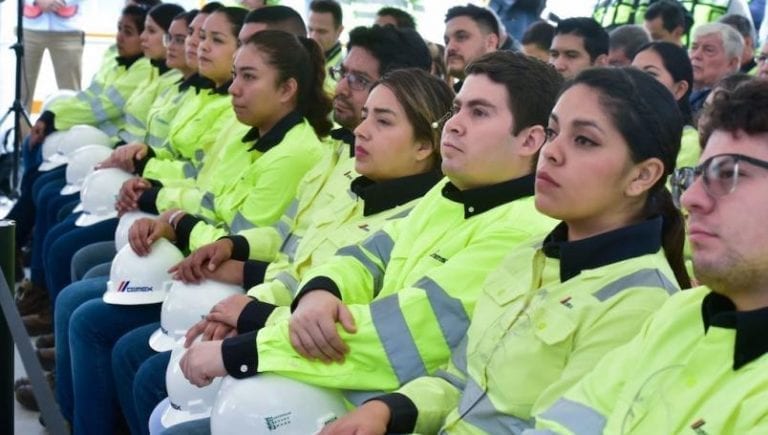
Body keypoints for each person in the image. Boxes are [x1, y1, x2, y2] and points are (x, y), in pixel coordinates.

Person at [177, 52, 562, 424]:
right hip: (337, 385)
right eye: (457, 108)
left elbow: (400, 335)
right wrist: (319, 293)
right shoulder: (450, 194)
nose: (454, 125)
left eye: (479, 113)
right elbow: (364, 257)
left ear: (530, 141)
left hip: (382, 409)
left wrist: (248, 345)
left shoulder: (520, 231)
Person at [323, 65, 689, 435]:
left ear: (642, 175)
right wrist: (390, 409)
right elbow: (460, 381)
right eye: (553, 132)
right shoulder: (531, 255)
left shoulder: (641, 302)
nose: (551, 152)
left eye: (584, 141)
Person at [113, 24, 436, 434]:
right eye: (344, 75)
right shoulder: (346, 161)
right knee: (150, 369)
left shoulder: (404, 206)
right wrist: (234, 253)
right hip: (279, 317)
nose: (342, 88)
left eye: (360, 82)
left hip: (332, 382)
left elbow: (352, 327)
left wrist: (253, 315)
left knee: (137, 362)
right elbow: (289, 249)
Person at [534, 78, 768, 435]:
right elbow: (564, 424)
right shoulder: (680, 313)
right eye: (695, 177)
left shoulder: (646, 299)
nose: (691, 199)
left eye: (727, 174)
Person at [632, 41, 698, 169]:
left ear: (679, 89)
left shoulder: (688, 142)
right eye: (632, 72)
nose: (636, 80)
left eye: (651, 74)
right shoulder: (618, 130)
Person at [21, 0, 86, 111]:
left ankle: (71, 123)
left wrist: (61, 1)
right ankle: (21, 123)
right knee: (23, 90)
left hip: (69, 29)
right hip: (28, 28)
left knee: (70, 91)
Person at [689, 22, 744, 116]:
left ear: (731, 63)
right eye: (694, 47)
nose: (696, 55)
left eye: (708, 50)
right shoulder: (679, 87)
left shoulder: (735, 105)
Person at [443, 4, 500, 91]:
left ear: (490, 42)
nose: (450, 47)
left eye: (461, 37)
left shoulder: (516, 91)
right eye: (447, 41)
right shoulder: (448, 96)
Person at [308, 0, 344, 92]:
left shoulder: (348, 65)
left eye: (321, 31)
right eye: (310, 29)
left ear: (339, 31)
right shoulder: (300, 57)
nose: (313, 37)